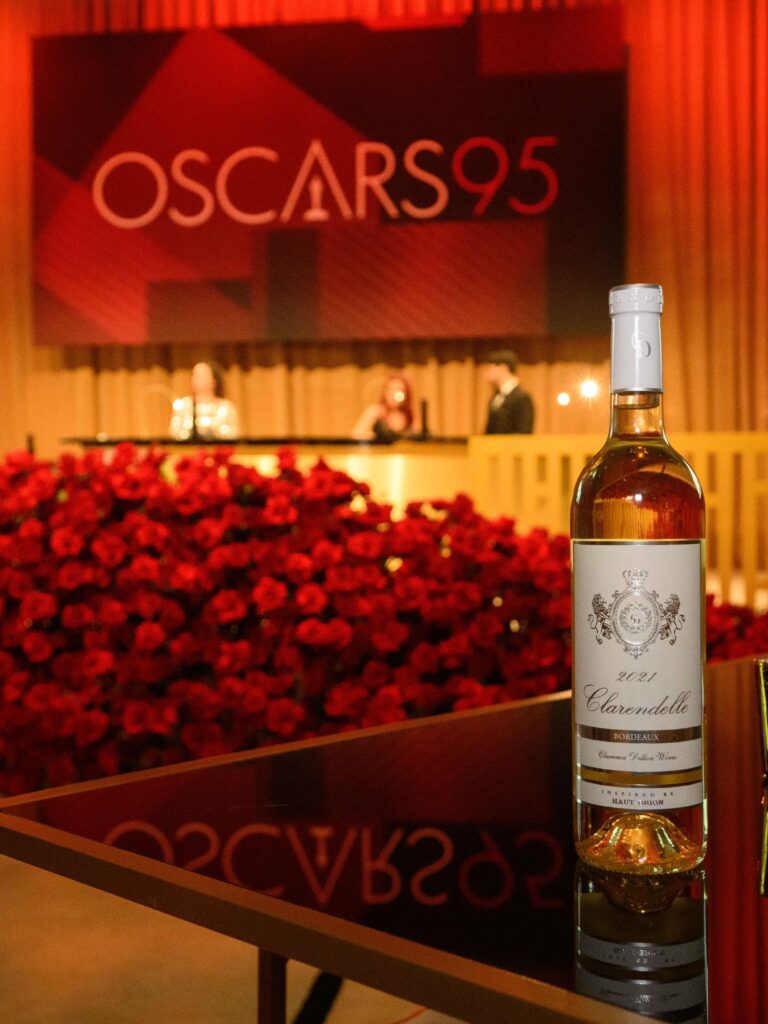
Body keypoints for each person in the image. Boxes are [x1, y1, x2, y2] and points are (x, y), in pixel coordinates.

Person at [169, 361, 240, 440]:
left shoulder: (226, 407)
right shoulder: (183, 406)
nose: (198, 379)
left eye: (203, 375)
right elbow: (175, 434)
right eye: (195, 375)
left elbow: (232, 435)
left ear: (214, 380)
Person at [483, 349, 534, 434]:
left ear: (503, 368)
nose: (487, 374)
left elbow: (524, 432)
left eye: (490, 368)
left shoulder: (522, 398)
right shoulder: (495, 397)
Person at [351, 373, 414, 441]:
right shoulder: (375, 411)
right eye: (392, 389)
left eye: (400, 390)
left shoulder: (408, 416)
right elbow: (356, 435)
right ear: (385, 392)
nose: (395, 393)